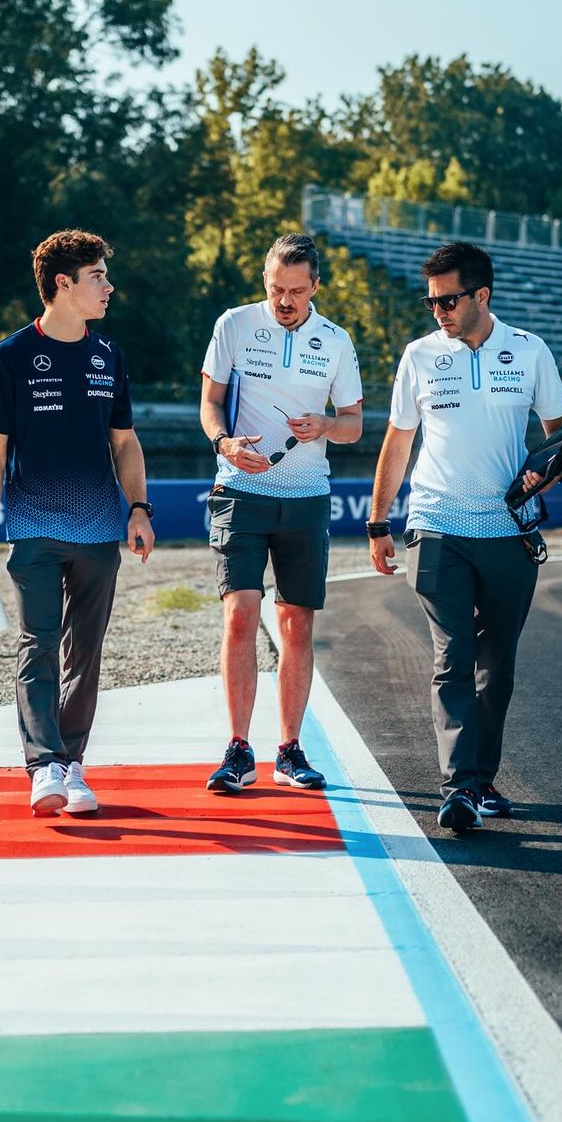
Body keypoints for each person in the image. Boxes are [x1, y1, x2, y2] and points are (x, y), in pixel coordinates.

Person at [367, 240, 562, 833]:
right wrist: (380, 521)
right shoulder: (419, 356)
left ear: (481, 295)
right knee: (451, 654)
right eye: (431, 302)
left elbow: (559, 433)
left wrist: (543, 472)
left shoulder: (530, 352)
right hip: (436, 526)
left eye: (448, 300)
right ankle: (457, 787)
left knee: (496, 663)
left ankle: (480, 780)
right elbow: (398, 441)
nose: (439, 312)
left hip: (510, 529)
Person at [0, 229, 155, 817]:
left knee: (84, 653)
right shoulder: (11, 356)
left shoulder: (109, 355)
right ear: (63, 285)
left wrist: (139, 509)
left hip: (100, 531)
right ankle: (43, 765)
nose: (108, 287)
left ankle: (73, 765)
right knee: (37, 644)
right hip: (33, 528)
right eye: (98, 277)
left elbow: (125, 442)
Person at [199, 233, 363, 794]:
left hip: (307, 496)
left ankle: (290, 749)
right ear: (264, 282)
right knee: (241, 613)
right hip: (239, 489)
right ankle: (237, 749)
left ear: (316, 286)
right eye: (275, 290)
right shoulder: (234, 325)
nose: (285, 300)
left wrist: (325, 427)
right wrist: (224, 444)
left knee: (295, 620)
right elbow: (210, 402)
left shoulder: (338, 341)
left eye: (296, 290)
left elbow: (354, 424)